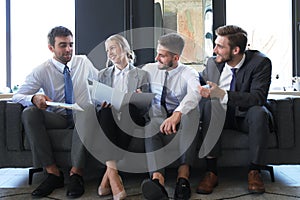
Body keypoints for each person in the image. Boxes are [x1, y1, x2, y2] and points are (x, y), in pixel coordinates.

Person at [12, 26, 100, 198]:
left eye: (71, 44)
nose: (68, 49)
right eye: (62, 45)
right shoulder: (42, 70)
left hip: (82, 115)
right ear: (51, 48)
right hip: (57, 117)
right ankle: (53, 173)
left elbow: (101, 81)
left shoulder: (83, 62)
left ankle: (76, 174)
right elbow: (18, 95)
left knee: (88, 108)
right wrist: (34, 98)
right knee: (30, 113)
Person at [197, 25, 272, 194]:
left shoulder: (260, 63)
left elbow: (258, 98)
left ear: (236, 50)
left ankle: (254, 171)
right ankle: (211, 172)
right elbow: (197, 79)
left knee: (259, 112)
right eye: (215, 44)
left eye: (220, 46)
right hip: (217, 117)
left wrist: (223, 94)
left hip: (244, 116)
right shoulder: (213, 63)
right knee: (210, 104)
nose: (214, 50)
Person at [141, 33, 201, 200]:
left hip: (181, 121)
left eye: (162, 55)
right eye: (157, 53)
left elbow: (196, 92)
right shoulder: (149, 69)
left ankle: (183, 177)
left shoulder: (188, 72)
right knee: (151, 124)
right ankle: (157, 180)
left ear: (175, 57)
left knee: (192, 112)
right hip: (158, 118)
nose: (156, 58)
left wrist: (177, 114)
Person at [96, 34, 149, 200]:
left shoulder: (141, 74)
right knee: (104, 112)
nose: (109, 53)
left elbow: (147, 104)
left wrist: (138, 97)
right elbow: (96, 102)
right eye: (107, 50)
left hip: (131, 115)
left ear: (124, 48)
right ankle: (113, 178)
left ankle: (109, 176)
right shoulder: (102, 74)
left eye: (112, 48)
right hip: (109, 116)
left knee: (128, 108)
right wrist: (103, 103)